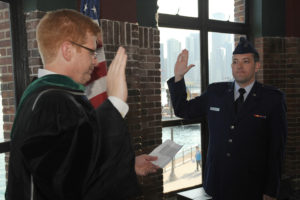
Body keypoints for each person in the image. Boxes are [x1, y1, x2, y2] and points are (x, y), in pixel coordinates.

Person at [6, 9, 158, 200]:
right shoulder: (52, 102)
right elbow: (67, 185)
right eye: (92, 52)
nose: (95, 61)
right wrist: (115, 103)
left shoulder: (47, 95)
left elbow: (76, 162)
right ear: (67, 50)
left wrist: (128, 165)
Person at [167, 37, 287, 200]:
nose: (239, 66)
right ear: (231, 66)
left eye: (246, 61)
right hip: (218, 184)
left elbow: (276, 149)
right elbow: (183, 110)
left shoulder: (272, 99)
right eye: (235, 61)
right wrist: (178, 77)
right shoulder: (215, 92)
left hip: (253, 187)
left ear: (256, 66)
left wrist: (271, 190)